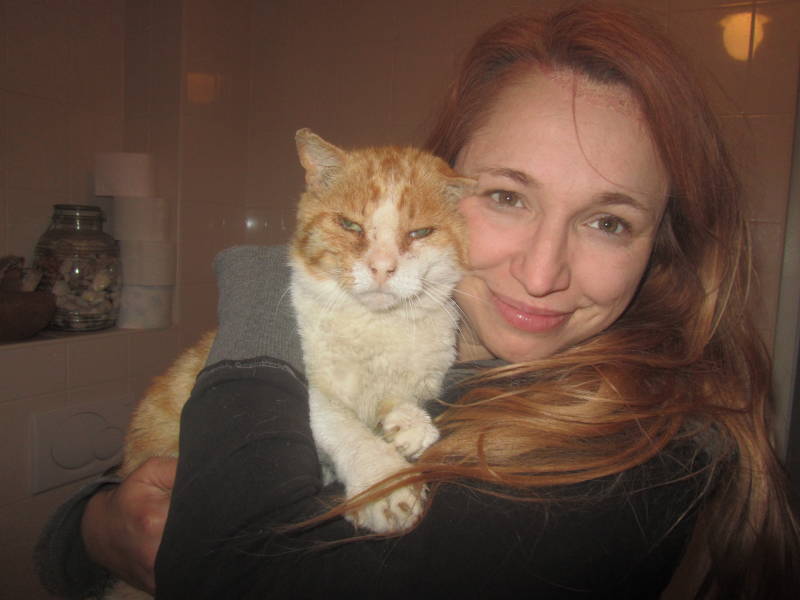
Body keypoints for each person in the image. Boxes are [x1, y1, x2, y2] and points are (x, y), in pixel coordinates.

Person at [35, 3, 800, 599]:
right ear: (444, 190)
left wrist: (265, 285)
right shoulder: (405, 334)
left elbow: (243, 579)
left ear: (662, 246)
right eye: (507, 197)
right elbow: (91, 526)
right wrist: (98, 527)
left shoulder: (650, 460)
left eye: (608, 222)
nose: (542, 273)